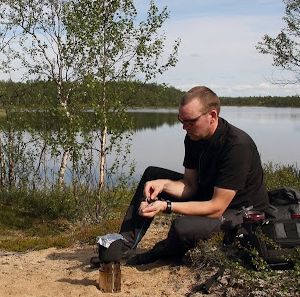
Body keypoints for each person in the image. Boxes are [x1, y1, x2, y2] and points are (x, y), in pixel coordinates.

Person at [95, 86, 271, 266]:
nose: (184, 127)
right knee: (152, 176)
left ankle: (159, 252)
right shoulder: (193, 137)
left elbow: (217, 207)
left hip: (242, 213)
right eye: (181, 120)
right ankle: (124, 246)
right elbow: (190, 186)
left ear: (212, 115)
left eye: (190, 122)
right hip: (209, 196)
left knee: (183, 227)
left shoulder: (236, 146)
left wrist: (166, 206)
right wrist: (163, 184)